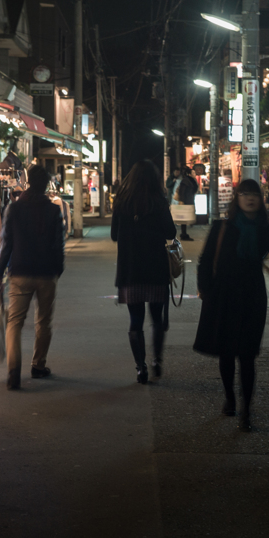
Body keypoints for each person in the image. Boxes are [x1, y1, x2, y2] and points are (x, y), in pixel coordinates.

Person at [195, 179, 269, 432]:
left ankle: (246, 410)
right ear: (237, 198)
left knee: (247, 355)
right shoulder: (222, 227)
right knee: (226, 352)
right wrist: (205, 290)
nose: (249, 199)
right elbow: (205, 261)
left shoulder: (266, 231)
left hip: (252, 297)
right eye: (244, 194)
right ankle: (230, 398)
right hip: (223, 295)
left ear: (261, 200)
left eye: (254, 195)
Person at [0, 164, 65, 390]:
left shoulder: (14, 208)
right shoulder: (54, 210)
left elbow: (6, 245)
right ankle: (38, 365)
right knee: (43, 321)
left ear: (28, 182)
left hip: (20, 272)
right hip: (46, 274)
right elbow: (58, 246)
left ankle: (14, 371)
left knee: (14, 322)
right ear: (46, 186)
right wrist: (57, 270)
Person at [111, 160, 177, 383]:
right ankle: (157, 360)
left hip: (130, 270)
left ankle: (141, 368)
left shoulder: (121, 202)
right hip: (155, 269)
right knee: (156, 318)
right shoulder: (158, 201)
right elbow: (170, 232)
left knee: (135, 319)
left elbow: (113, 235)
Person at [168, 166, 198, 241]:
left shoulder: (191, 180)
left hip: (189, 200)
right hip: (186, 201)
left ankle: (184, 234)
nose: (195, 174)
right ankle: (183, 234)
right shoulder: (186, 180)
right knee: (184, 218)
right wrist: (182, 201)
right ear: (189, 174)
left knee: (185, 218)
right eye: (193, 172)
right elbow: (182, 191)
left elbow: (195, 188)